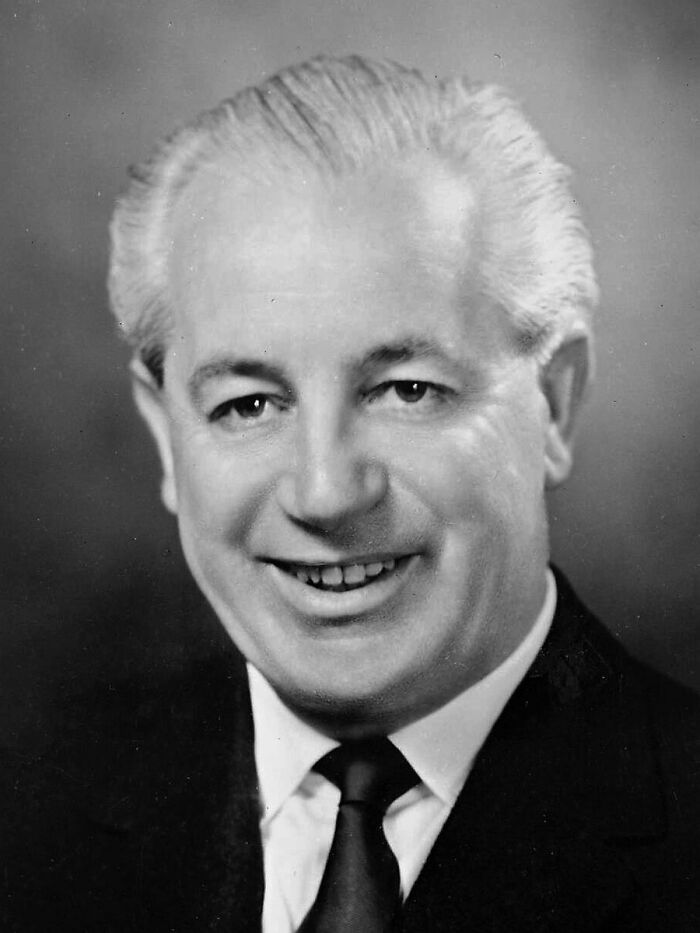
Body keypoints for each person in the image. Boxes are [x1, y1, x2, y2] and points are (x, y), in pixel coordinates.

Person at [3, 54, 699, 932]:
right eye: (248, 404)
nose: (326, 493)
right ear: (166, 438)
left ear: (553, 402)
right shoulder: (27, 812)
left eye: (406, 390)